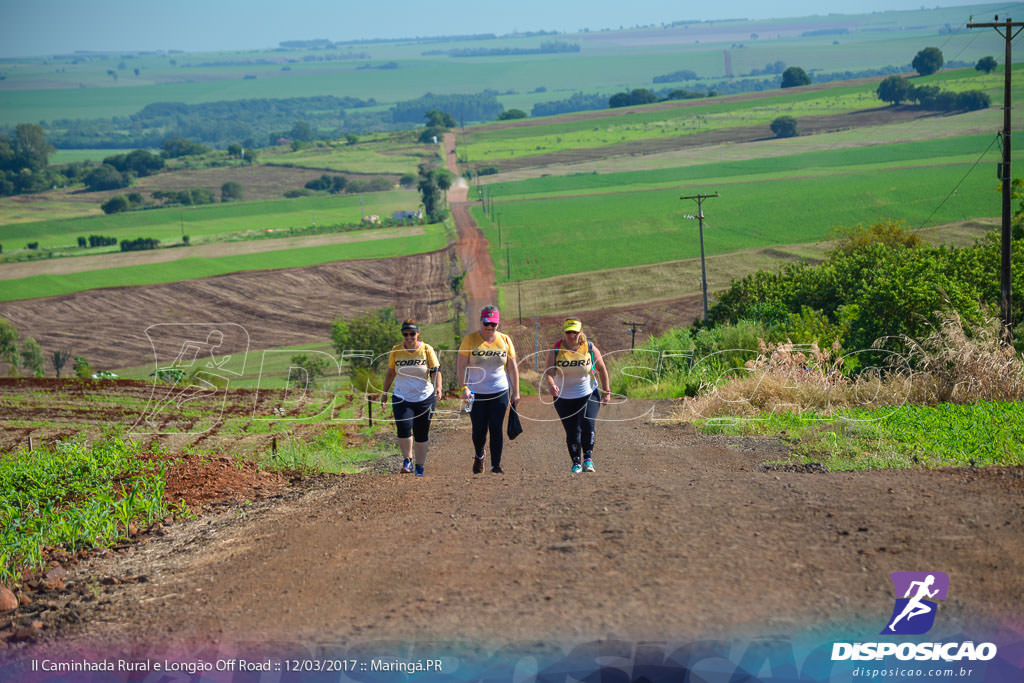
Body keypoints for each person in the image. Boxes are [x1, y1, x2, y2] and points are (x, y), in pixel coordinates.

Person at [543, 318, 611, 473]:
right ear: (564, 332)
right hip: (564, 397)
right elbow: (548, 372)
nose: (571, 335)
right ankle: (576, 462)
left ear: (580, 332)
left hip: (588, 393)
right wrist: (551, 384)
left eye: (574, 332)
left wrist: (606, 391)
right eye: (568, 332)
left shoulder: (590, 347)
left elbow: (602, 369)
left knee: (588, 425)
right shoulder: (556, 349)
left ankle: (588, 459)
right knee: (573, 430)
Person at [457, 305, 519, 474]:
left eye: (493, 324)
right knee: (478, 429)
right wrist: (463, 388)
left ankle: (496, 465)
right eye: (486, 323)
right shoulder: (470, 340)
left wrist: (516, 392)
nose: (490, 327)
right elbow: (461, 366)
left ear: (497, 324)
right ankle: (479, 455)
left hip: (499, 391)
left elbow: (512, 368)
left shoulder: (505, 340)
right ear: (481, 322)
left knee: (496, 427)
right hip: (476, 393)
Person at [381, 320, 441, 477]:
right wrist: (384, 392)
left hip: (425, 397)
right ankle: (407, 460)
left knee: (422, 432)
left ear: (418, 333)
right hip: (402, 396)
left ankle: (420, 465)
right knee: (404, 426)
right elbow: (391, 373)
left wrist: (439, 387)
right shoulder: (396, 350)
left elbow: (436, 371)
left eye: (412, 334)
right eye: (405, 334)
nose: (408, 337)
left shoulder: (427, 349)